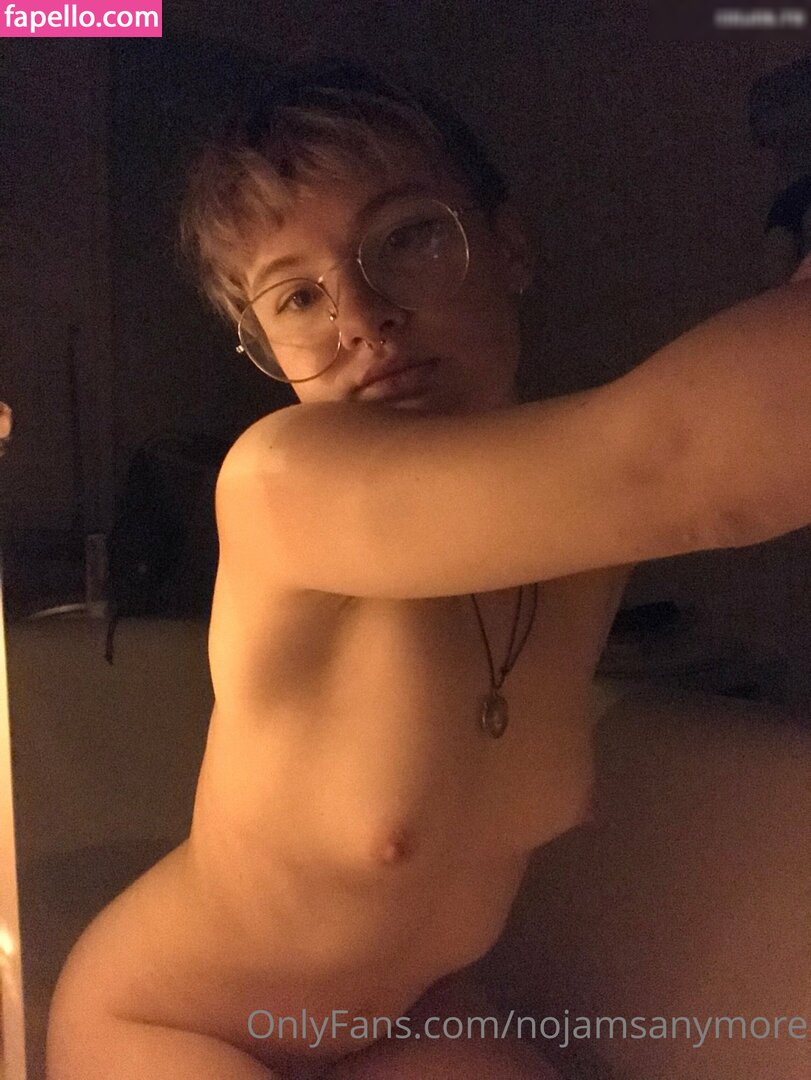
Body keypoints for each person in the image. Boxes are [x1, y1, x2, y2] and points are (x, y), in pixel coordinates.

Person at [47, 58, 811, 1079]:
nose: (362, 318)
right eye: (298, 296)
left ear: (508, 245)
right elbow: (683, 467)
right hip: (178, 1024)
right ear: (264, 345)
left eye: (406, 239)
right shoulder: (282, 484)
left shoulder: (577, 526)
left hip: (408, 1012)